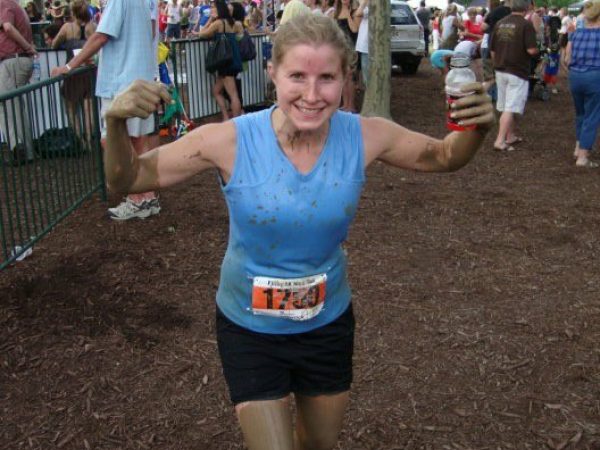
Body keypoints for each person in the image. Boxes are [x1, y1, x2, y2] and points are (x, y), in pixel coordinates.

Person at [101, 13, 494, 450]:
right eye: (297, 76)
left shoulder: (365, 136)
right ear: (272, 74)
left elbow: (443, 156)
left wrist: (475, 126)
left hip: (326, 326)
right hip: (249, 328)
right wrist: (115, 123)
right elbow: (127, 180)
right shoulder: (229, 141)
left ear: (346, 77)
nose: (311, 94)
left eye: (327, 77)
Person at [51, 0, 160, 221]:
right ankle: (147, 196)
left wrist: (69, 66)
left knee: (115, 141)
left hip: (121, 83)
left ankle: (137, 198)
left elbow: (102, 36)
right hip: (140, 76)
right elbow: (148, 31)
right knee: (139, 140)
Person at [489, 0, 538, 152]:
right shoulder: (525, 25)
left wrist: (496, 63)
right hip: (517, 70)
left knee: (504, 105)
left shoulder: (500, 23)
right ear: (527, 8)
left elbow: (492, 50)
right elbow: (531, 50)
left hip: (500, 68)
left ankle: (510, 136)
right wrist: (538, 51)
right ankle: (500, 140)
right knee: (510, 107)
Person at [564, 0, 600, 168]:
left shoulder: (577, 33)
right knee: (592, 116)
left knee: (580, 113)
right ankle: (583, 157)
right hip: (595, 76)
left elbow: (567, 59)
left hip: (575, 76)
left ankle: (578, 148)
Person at [0, 0, 37, 164]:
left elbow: (7, 27)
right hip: (18, 60)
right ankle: (23, 149)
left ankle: (18, 147)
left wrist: (27, 47)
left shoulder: (3, 4)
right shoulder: (17, 7)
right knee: (14, 106)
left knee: (8, 105)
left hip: (12, 60)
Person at [195, 0, 243, 121]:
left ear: (218, 9)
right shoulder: (233, 23)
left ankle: (236, 122)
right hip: (231, 60)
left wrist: (210, 20)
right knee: (216, 91)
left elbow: (202, 34)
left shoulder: (218, 23)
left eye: (213, 7)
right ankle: (226, 117)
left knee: (233, 95)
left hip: (225, 62)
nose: (211, 10)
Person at [334, 0, 359, 112]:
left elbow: (354, 29)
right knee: (343, 76)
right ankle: (345, 104)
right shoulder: (337, 11)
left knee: (351, 76)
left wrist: (349, 14)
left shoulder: (355, 11)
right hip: (340, 48)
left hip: (351, 48)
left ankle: (351, 105)